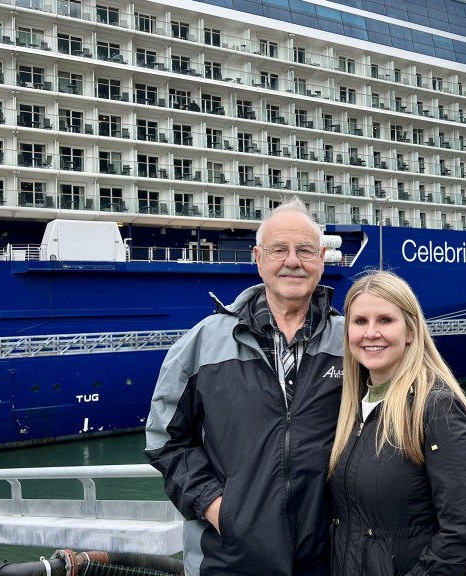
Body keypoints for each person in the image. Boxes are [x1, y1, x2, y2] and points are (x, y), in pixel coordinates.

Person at [144, 198, 345, 576]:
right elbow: (164, 439)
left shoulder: (351, 343)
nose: (292, 261)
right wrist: (216, 506)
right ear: (258, 258)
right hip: (227, 560)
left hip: (330, 557)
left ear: (321, 259)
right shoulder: (203, 343)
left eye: (305, 250)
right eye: (279, 250)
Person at [328, 271, 466, 575]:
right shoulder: (351, 408)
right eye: (360, 321)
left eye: (385, 320)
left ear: (411, 331)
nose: (371, 333)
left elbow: (461, 536)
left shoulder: (436, 407)